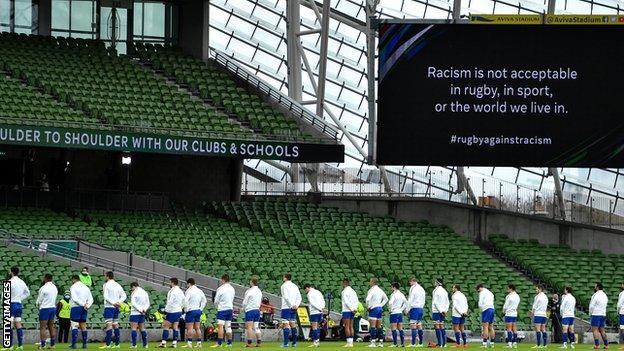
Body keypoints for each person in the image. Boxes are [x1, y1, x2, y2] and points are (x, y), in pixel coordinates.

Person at [5, 266, 30, 350]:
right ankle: (20, 345)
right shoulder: (22, 282)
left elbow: (4, 296)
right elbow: (28, 293)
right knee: (18, 324)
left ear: (11, 272)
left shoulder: (9, 282)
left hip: (11, 304)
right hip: (19, 304)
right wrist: (20, 298)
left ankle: (10, 346)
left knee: (9, 324)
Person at [101, 271, 127, 349]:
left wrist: (113, 303)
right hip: (116, 307)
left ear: (107, 276)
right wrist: (118, 302)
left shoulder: (106, 285)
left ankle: (108, 344)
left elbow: (105, 296)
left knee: (109, 325)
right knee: (115, 324)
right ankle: (117, 344)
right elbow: (124, 295)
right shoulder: (117, 284)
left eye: (105, 276)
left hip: (109, 307)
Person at [69, 274, 94, 349]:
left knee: (74, 325)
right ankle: (84, 344)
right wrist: (87, 305)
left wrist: (83, 304)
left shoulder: (73, 287)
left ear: (73, 279)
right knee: (83, 326)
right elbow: (91, 299)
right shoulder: (86, 287)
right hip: (84, 308)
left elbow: (75, 298)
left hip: (76, 307)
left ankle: (74, 344)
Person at [159, 277, 185, 348]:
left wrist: (166, 311)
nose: (169, 283)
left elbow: (170, 302)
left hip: (172, 311)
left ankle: (163, 343)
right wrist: (180, 307)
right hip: (178, 310)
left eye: (169, 282)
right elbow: (184, 301)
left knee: (166, 326)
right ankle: (174, 343)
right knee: (175, 327)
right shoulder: (180, 291)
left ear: (172, 283)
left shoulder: (172, 291)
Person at [211, 274, 235, 348]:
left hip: (222, 309)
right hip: (230, 309)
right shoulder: (232, 288)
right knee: (228, 327)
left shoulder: (220, 289)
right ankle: (229, 343)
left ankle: (219, 343)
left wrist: (216, 307)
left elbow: (216, 301)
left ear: (223, 279)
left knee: (220, 326)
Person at [183, 278, 207, 348]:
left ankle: (189, 343)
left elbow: (185, 301)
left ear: (189, 284)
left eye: (187, 284)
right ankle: (199, 343)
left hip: (191, 310)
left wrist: (186, 309)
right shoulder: (200, 291)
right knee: (197, 328)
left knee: (189, 328)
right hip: (198, 310)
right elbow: (204, 301)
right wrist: (200, 309)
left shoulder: (189, 291)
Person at [280, 273, 302, 348]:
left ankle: (286, 344)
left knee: (286, 324)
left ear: (285, 278)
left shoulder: (283, 286)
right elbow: (299, 297)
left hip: (286, 307)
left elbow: (286, 297)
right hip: (294, 308)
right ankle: (294, 343)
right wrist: (296, 305)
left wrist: (291, 305)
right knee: (293, 325)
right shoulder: (295, 286)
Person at [37, 273, 58, 349]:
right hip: (52, 308)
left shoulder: (43, 288)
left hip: (45, 308)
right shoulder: (55, 287)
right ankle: (53, 345)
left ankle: (43, 345)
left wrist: (38, 305)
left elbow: (39, 300)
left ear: (45, 278)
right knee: (51, 327)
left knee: (43, 327)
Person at [366, 277, 389, 348]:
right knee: (379, 326)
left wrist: (368, 306)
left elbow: (367, 299)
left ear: (372, 282)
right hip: (379, 308)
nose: (369, 283)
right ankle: (381, 342)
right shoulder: (380, 290)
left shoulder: (371, 290)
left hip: (374, 309)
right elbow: (386, 299)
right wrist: (380, 305)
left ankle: (373, 342)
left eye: (370, 281)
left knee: (373, 326)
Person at [242, 276, 263, 347]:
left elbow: (245, 301)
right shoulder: (259, 291)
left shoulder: (249, 291)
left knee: (249, 327)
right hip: (257, 310)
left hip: (250, 310)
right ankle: (259, 342)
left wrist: (243, 308)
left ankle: (249, 343)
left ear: (251, 282)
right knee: (256, 327)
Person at [129, 281, 150, 349]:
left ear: (133, 286)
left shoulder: (134, 293)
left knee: (133, 329)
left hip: (135, 313)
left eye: (131, 288)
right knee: (142, 329)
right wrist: (144, 309)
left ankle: (134, 345)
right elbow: (148, 303)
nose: (131, 289)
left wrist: (140, 310)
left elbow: (133, 303)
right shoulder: (144, 292)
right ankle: (145, 344)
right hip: (142, 313)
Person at [304, 283, 326, 348]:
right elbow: (323, 300)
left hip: (314, 312)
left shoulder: (309, 294)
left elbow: (312, 303)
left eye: (305, 290)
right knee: (318, 327)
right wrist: (322, 308)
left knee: (314, 327)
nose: (306, 291)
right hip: (320, 312)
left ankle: (315, 342)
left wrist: (318, 308)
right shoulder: (318, 292)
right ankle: (317, 341)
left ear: (307, 288)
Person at [589, 282, 609, 350]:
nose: (594, 288)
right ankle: (606, 345)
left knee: (595, 330)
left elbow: (592, 305)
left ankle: (597, 345)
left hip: (596, 314)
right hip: (603, 314)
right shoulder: (605, 295)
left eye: (595, 287)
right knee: (602, 330)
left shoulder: (595, 295)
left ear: (597, 287)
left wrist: (590, 313)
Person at [408, 277, 426, 348]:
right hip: (421, 308)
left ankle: (413, 343)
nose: (410, 283)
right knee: (419, 325)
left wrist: (408, 309)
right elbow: (424, 299)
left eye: (410, 282)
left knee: (413, 325)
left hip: (414, 308)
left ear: (412, 281)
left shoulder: (413, 288)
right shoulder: (422, 289)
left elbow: (411, 299)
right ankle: (421, 343)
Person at [341, 278, 359, 348]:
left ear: (344, 283)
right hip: (353, 310)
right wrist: (354, 309)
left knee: (347, 326)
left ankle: (348, 342)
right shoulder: (353, 291)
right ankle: (351, 342)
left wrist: (351, 309)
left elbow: (346, 302)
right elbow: (356, 301)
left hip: (346, 310)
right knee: (351, 326)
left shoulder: (344, 292)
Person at [388, 282, 408, 348]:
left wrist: (390, 310)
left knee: (393, 329)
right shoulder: (401, 294)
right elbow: (406, 303)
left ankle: (395, 343)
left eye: (392, 287)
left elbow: (390, 303)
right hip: (399, 313)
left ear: (394, 287)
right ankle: (402, 343)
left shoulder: (393, 295)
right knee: (400, 328)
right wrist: (401, 309)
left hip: (394, 312)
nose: (391, 288)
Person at [432, 278, 450, 348]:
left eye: (435, 282)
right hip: (443, 311)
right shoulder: (445, 291)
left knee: (437, 326)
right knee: (442, 326)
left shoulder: (435, 291)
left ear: (437, 283)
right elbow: (447, 302)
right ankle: (444, 343)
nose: (434, 283)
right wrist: (445, 310)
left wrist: (440, 310)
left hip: (437, 311)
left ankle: (440, 344)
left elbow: (435, 302)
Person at [477, 284, 496, 348]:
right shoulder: (490, 293)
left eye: (478, 291)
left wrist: (481, 310)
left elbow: (480, 304)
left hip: (486, 309)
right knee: (491, 327)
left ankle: (484, 344)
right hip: (492, 309)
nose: (478, 292)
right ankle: (492, 343)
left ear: (480, 288)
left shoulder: (482, 293)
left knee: (485, 327)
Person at [503, 284, 520, 349]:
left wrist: (504, 310)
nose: (507, 290)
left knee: (509, 328)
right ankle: (515, 343)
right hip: (514, 313)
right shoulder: (517, 296)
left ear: (511, 289)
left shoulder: (509, 296)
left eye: (508, 288)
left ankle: (509, 343)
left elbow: (506, 305)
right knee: (514, 328)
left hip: (509, 313)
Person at [532, 285, 549, 349]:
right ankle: (545, 344)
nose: (536, 290)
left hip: (538, 314)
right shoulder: (545, 297)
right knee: (543, 329)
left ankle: (538, 344)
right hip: (544, 314)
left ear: (540, 289)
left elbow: (534, 306)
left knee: (538, 330)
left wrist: (533, 313)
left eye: (536, 289)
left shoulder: (537, 297)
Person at [617, 283, 624, 350]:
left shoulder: (622, 293)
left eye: (622, 285)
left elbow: (619, 304)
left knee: (622, 329)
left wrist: (618, 311)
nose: (621, 286)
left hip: (622, 313)